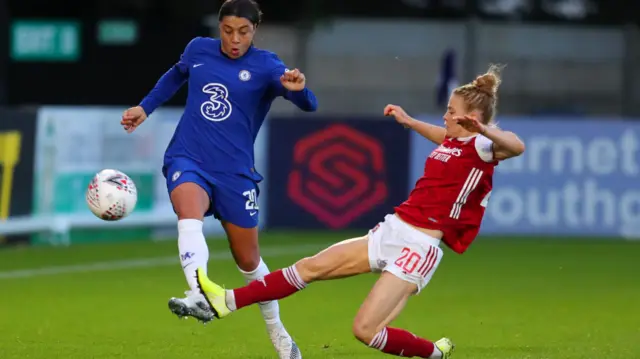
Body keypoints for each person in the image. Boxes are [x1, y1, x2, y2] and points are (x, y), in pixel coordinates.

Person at [192, 65, 525, 358]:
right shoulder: (453, 141)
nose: (445, 116)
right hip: (392, 230)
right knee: (310, 267)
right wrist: (408, 121)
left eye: (451, 112)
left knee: (366, 331)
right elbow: (440, 133)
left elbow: (516, 145)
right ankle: (227, 301)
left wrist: (484, 130)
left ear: (472, 120)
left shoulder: (484, 146)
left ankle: (434, 353)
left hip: (417, 248)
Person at [120, 0, 317, 358]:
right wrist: (145, 107)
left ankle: (279, 332)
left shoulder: (267, 65)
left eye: (242, 31)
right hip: (188, 156)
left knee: (249, 261)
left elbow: (309, 104)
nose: (234, 39)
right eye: (227, 30)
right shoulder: (199, 49)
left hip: (235, 173)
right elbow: (176, 75)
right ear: (219, 28)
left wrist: (299, 88)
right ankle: (198, 293)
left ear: (255, 30)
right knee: (188, 213)